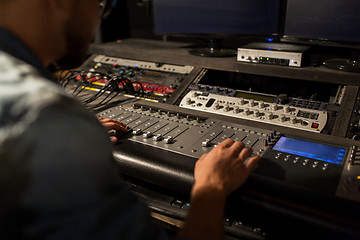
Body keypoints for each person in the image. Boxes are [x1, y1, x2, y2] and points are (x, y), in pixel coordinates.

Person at [0, 0, 260, 239]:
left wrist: (71, 143)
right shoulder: (46, 119)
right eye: (98, 4)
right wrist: (211, 188)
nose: (98, 20)